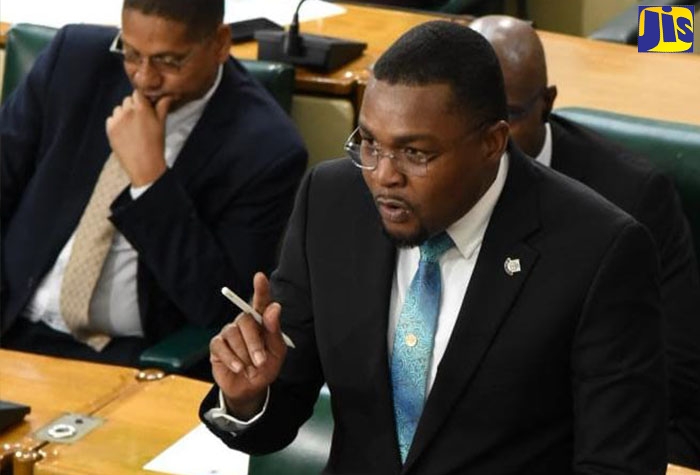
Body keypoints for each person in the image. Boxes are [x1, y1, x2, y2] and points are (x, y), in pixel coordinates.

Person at [199, 21, 667, 473]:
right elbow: (283, 403)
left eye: (415, 153)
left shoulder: (599, 252)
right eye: (370, 143)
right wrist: (247, 397)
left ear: (491, 142)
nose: (383, 175)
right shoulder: (331, 203)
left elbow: (619, 463)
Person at [0, 0, 307, 366]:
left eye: (169, 61)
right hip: (12, 322)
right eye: (131, 54)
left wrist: (151, 181)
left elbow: (221, 308)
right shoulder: (74, 60)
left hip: (126, 357)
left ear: (220, 43)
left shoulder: (267, 149)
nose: (145, 78)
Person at [470, 15, 700, 469]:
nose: (488, 138)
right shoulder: (431, 186)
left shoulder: (632, 199)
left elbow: (676, 377)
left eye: (509, 116)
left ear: (548, 104)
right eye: (472, 117)